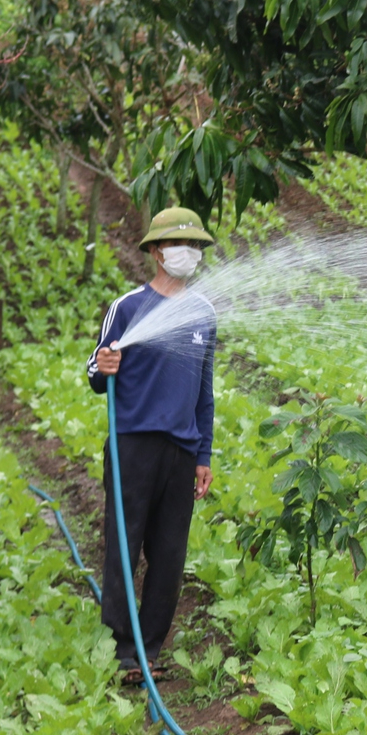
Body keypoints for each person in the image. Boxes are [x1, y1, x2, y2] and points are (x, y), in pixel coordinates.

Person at [87, 206, 218, 683]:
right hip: (132, 447)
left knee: (170, 553)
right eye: (183, 245)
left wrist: (203, 455)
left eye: (197, 246)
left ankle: (152, 646)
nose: (192, 254)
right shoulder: (127, 308)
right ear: (157, 252)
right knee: (124, 543)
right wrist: (103, 367)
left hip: (181, 451)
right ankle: (124, 651)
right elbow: (94, 375)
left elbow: (205, 393)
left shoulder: (204, 313)